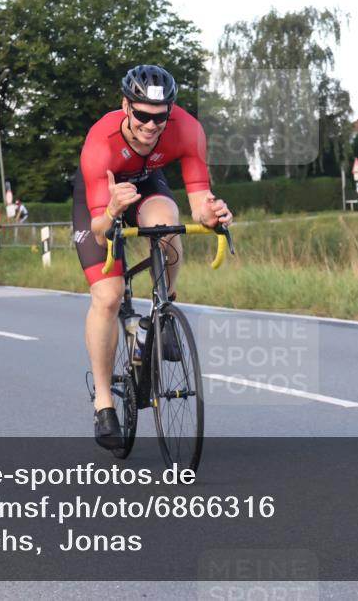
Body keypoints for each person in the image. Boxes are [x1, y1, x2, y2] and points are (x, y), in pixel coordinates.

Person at [72, 64, 232, 449]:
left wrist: (212, 214)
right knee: (108, 296)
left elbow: (198, 201)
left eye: (160, 118)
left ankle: (164, 310)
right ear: (125, 106)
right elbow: (98, 229)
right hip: (102, 199)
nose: (150, 125)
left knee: (167, 223)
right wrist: (111, 210)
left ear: (171, 113)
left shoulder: (188, 130)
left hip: (147, 183)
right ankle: (104, 403)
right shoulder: (101, 140)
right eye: (142, 115)